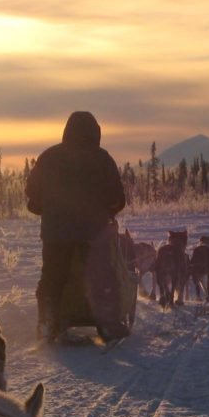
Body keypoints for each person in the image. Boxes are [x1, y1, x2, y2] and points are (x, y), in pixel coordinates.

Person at [26, 111, 126, 341]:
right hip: (93, 231)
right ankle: (108, 324)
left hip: (55, 233)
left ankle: (48, 322)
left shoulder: (49, 157)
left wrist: (47, 210)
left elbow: (32, 194)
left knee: (52, 277)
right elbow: (116, 197)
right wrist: (108, 212)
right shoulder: (102, 159)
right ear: (95, 132)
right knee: (101, 276)